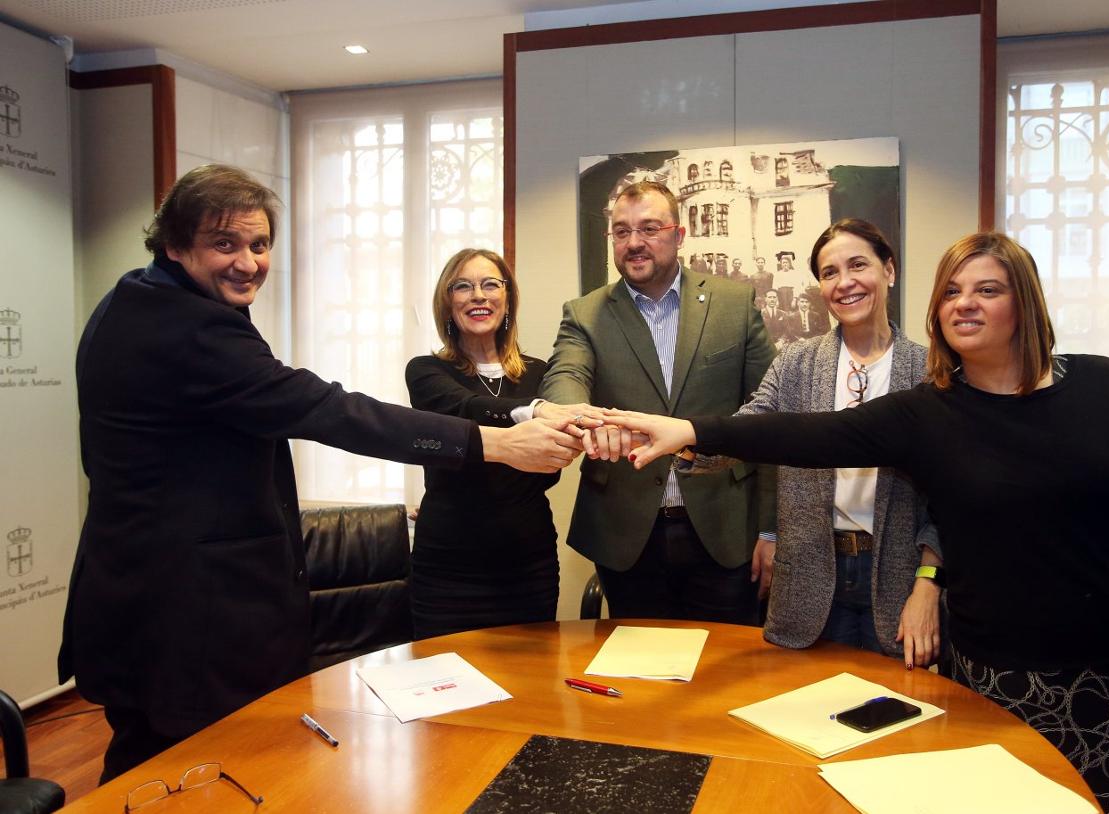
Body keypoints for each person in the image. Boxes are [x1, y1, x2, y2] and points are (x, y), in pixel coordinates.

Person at [609, 232, 1109, 814]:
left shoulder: (1107, 385)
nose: (964, 302)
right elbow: (807, 435)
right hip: (996, 670)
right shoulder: (932, 411)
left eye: (987, 289)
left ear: (1025, 301)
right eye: (951, 292)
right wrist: (688, 432)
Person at [63, 165, 584, 783]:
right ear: (175, 244)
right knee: (178, 777)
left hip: (151, 596)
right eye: (224, 244)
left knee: (159, 769)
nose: (248, 263)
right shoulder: (187, 327)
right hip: (183, 611)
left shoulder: (141, 297)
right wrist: (495, 444)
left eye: (259, 245)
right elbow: (324, 409)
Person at [541, 180, 776, 624]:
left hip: (725, 528)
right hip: (626, 534)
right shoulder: (585, 313)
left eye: (649, 228)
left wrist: (771, 527)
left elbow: (773, 414)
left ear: (679, 235)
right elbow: (565, 376)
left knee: (725, 680)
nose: (634, 243)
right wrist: (585, 419)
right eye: (622, 231)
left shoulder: (734, 303)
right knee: (638, 676)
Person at [714, 220, 941, 669]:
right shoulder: (797, 362)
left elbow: (949, 498)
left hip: (896, 581)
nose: (845, 282)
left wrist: (929, 583)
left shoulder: (931, 370)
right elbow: (749, 430)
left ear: (889, 271)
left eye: (858, 265)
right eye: (829, 272)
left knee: (891, 719)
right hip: (809, 579)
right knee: (801, 718)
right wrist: (680, 441)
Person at [405, 249, 581, 639]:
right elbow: (463, 407)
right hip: (447, 567)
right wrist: (531, 414)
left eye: (490, 285)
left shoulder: (541, 373)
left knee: (528, 685)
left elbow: (549, 465)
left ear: (507, 298)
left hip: (526, 563)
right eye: (463, 286)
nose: (478, 296)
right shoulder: (427, 372)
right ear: (447, 303)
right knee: (444, 685)